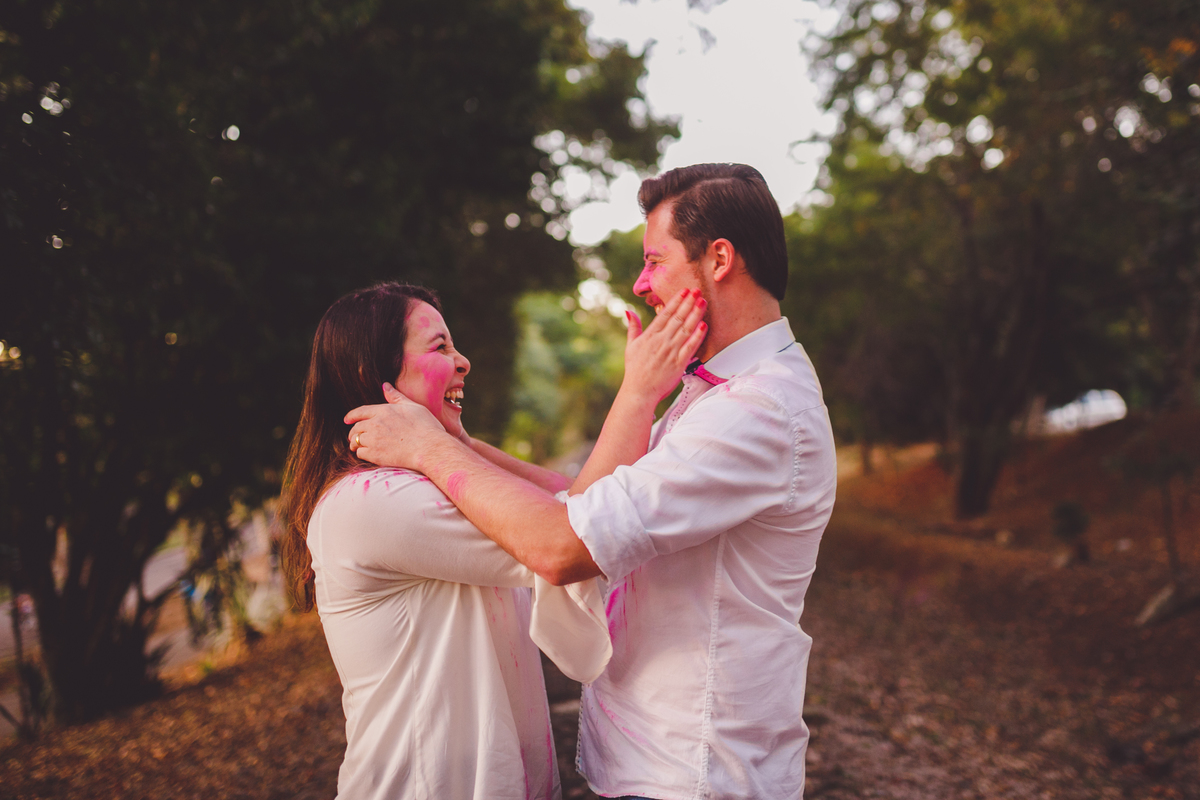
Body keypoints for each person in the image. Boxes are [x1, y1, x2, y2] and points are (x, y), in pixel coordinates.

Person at [348, 164, 836, 798]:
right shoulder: (721, 396)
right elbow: (593, 497)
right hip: (661, 764)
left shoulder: (758, 411)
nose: (641, 284)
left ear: (719, 259)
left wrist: (426, 451)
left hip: (693, 775)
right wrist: (464, 447)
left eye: (655, 261)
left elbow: (564, 545)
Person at [279, 280, 706, 800]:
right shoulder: (373, 500)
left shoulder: (423, 478)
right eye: (440, 347)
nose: (464, 362)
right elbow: (571, 535)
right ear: (374, 375)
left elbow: (569, 498)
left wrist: (454, 443)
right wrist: (638, 394)